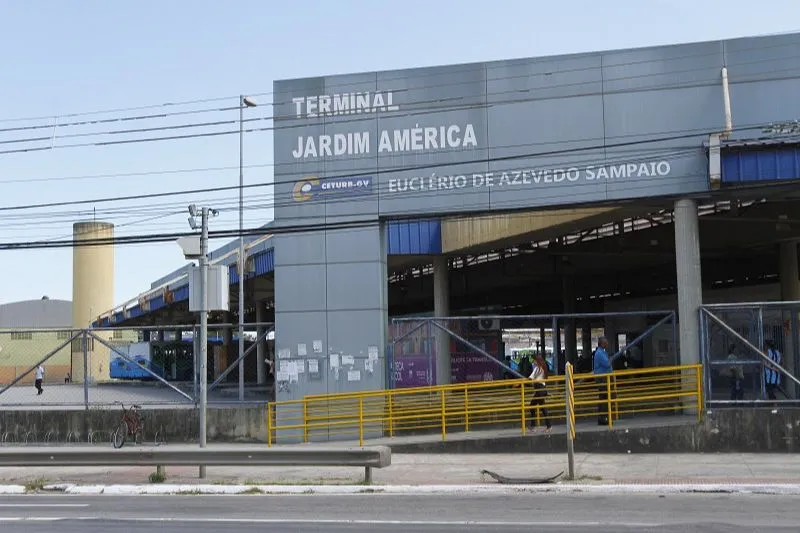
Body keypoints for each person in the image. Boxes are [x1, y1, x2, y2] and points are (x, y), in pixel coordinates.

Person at [528, 353, 551, 432]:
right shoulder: (540, 368)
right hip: (541, 390)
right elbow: (532, 378)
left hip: (540, 390)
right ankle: (548, 426)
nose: (533, 361)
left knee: (532, 406)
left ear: (537, 360)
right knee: (543, 408)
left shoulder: (539, 368)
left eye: (534, 360)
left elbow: (532, 378)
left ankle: (533, 426)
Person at [593, 336, 613, 425]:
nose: (607, 343)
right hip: (602, 378)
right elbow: (607, 364)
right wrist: (610, 360)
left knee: (604, 397)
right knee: (604, 398)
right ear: (602, 343)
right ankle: (603, 418)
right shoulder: (600, 353)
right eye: (606, 342)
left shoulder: (601, 352)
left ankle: (603, 417)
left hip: (603, 377)